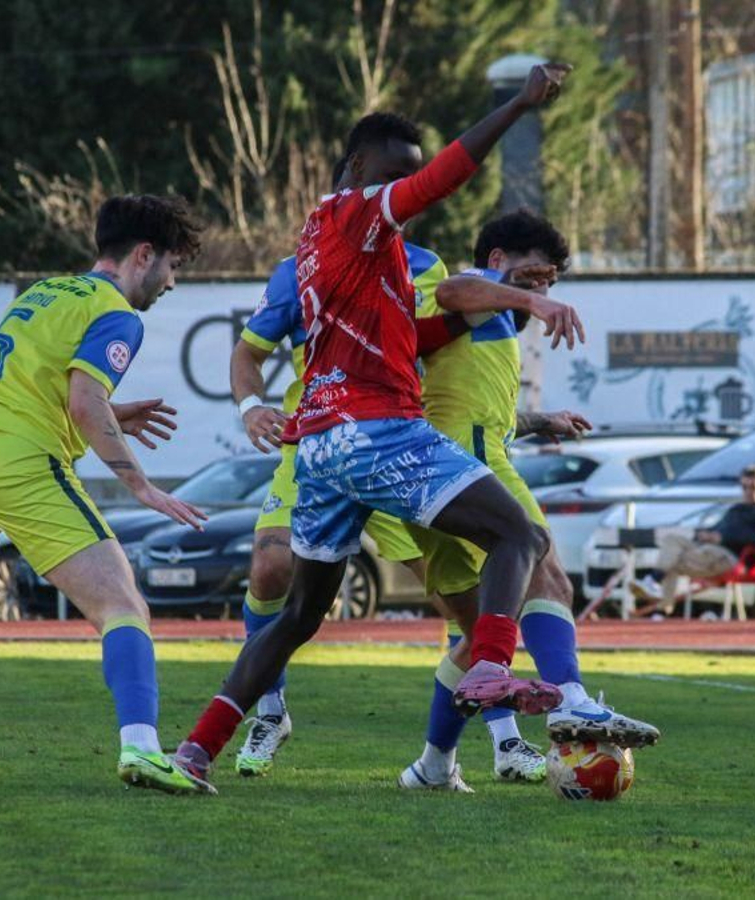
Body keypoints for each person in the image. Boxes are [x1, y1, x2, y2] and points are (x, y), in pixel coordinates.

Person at [172, 63, 582, 790]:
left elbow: (404, 343)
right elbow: (442, 180)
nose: (408, 198)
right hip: (375, 431)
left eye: (406, 183)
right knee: (522, 534)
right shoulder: (354, 213)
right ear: (359, 167)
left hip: (324, 445)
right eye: (396, 176)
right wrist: (519, 104)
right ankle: (490, 666)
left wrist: (489, 309)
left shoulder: (338, 250)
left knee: (298, 614)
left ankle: (196, 749)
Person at [0, 195, 213, 792]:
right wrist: (139, 484)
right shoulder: (118, 312)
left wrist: (110, 412)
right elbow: (80, 401)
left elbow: (37, 383)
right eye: (173, 265)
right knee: (123, 604)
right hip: (14, 458)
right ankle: (141, 748)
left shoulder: (43, 292)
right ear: (144, 255)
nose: (172, 281)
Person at [398, 210, 660, 792]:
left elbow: (474, 399)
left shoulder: (494, 321)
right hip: (463, 460)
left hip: (453, 460)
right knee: (548, 573)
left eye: (550, 284)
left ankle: (433, 767)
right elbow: (452, 289)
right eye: (532, 277)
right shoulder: (471, 289)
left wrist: (543, 420)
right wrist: (532, 302)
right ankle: (570, 699)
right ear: (496, 261)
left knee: (473, 636)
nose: (541, 293)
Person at [225, 157, 463, 778]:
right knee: (273, 565)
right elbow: (248, 353)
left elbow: (441, 344)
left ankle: (487, 741)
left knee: (459, 591)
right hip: (320, 442)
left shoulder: (425, 265)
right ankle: (270, 709)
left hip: (397, 438)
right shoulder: (297, 268)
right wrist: (252, 407)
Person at [632, 464, 755, 613]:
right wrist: (706, 535)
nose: (748, 491)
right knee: (672, 541)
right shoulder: (737, 509)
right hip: (709, 554)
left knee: (690, 555)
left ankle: (655, 585)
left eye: (753, 487)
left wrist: (722, 538)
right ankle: (657, 591)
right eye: (744, 487)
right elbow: (718, 528)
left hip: (735, 558)